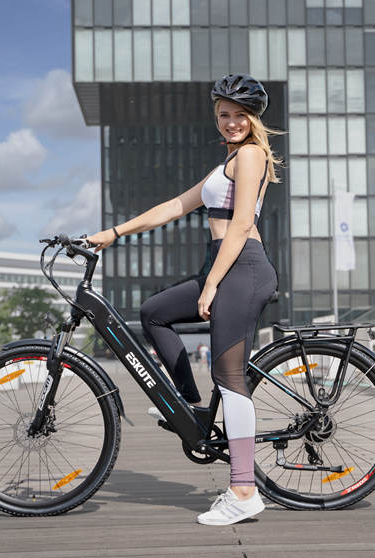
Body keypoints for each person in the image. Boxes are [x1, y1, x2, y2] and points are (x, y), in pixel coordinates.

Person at [88, 74, 280, 526]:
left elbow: (239, 225)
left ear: (253, 119)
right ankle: (189, 405)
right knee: (154, 312)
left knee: (230, 376)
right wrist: (112, 234)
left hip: (242, 267)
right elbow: (174, 206)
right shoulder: (227, 163)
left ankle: (244, 490)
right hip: (223, 264)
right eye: (224, 115)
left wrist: (212, 283)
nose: (231, 122)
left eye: (239, 115)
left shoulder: (251, 155)